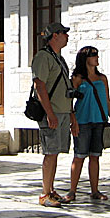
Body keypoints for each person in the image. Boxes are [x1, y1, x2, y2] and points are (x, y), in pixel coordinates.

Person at [32, 22, 78, 207]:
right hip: (51, 113)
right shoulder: (43, 57)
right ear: (55, 36)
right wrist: (50, 114)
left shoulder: (59, 58)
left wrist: (72, 116)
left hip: (62, 111)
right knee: (50, 153)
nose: (67, 36)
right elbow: (39, 85)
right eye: (64, 33)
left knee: (56, 152)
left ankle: (51, 190)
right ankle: (44, 194)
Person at [66, 45, 110, 201]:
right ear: (85, 58)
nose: (97, 57)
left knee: (95, 157)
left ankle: (95, 190)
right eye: (93, 54)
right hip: (82, 122)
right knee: (79, 156)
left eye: (97, 54)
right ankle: (72, 191)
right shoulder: (77, 79)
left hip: (99, 122)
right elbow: (69, 102)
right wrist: (73, 121)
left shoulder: (102, 79)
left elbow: (107, 101)